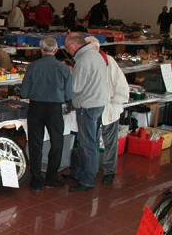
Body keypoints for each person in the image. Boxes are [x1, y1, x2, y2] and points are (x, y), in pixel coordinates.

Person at [20, 37, 73, 191]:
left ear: (41, 50)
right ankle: (51, 178)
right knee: (57, 143)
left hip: (36, 108)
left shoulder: (33, 66)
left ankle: (36, 180)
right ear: (56, 50)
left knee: (35, 143)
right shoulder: (64, 69)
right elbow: (68, 94)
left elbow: (24, 93)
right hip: (55, 109)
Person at [62, 32, 108, 192]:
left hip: (88, 105)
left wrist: (70, 74)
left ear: (74, 45)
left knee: (87, 143)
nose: (67, 51)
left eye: (67, 47)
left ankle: (87, 179)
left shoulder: (83, 61)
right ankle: (80, 173)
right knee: (90, 141)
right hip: (98, 102)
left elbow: (76, 88)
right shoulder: (95, 55)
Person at [85, 37, 129, 185]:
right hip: (92, 108)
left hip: (109, 107)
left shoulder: (109, 61)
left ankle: (110, 171)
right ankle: (92, 169)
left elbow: (121, 85)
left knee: (110, 142)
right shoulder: (87, 61)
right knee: (92, 141)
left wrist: (115, 103)